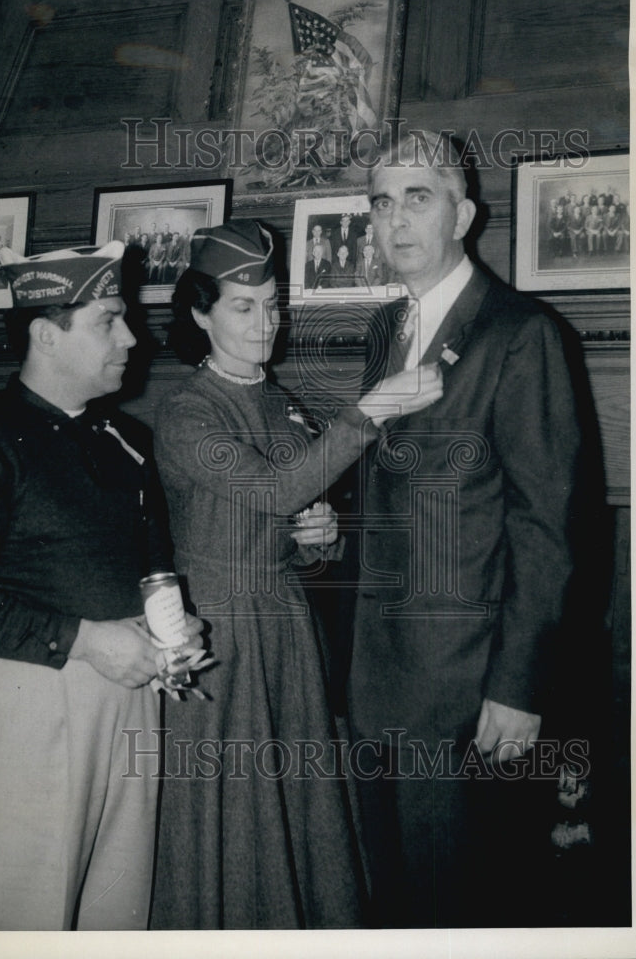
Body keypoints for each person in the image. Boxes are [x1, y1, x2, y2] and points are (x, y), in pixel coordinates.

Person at [148, 220, 443, 930]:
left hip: (283, 623)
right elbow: (274, 490)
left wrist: (320, 537)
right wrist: (371, 408)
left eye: (274, 304)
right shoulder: (187, 412)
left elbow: (294, 513)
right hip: (218, 636)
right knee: (234, 816)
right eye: (243, 308)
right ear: (199, 314)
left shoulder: (279, 400)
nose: (265, 324)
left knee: (297, 810)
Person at [0, 243, 204, 931]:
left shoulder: (125, 439)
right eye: (109, 321)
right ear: (46, 335)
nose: (131, 338)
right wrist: (83, 640)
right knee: (19, 915)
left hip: (133, 693)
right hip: (26, 702)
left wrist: (174, 625)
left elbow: (152, 564)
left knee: (117, 911)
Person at [343, 129, 583, 927]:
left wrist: (516, 688)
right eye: (381, 202)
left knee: (460, 907)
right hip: (378, 677)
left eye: (417, 197)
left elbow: (546, 526)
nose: (395, 220)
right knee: (396, 901)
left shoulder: (520, 333)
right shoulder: (385, 329)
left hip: (463, 688)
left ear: (463, 213)